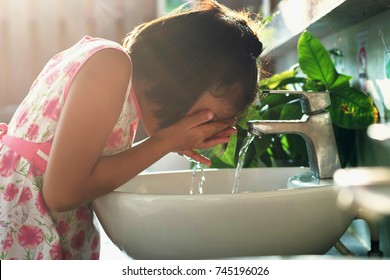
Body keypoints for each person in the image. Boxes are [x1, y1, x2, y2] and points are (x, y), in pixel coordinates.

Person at [0, 0, 263, 259]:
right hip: (20, 227)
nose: (204, 130)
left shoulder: (117, 78)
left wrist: (166, 142)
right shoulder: (111, 65)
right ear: (181, 79)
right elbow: (62, 193)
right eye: (208, 117)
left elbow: (84, 171)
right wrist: (163, 141)